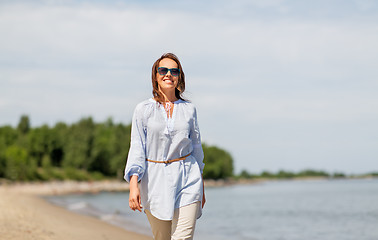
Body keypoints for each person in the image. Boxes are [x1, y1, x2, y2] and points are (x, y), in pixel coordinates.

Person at [124, 53, 206, 240]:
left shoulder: (189, 109)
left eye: (174, 71)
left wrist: (202, 186)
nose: (168, 74)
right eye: (163, 70)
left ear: (179, 77)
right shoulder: (143, 109)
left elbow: (197, 148)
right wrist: (133, 185)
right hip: (154, 180)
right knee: (162, 237)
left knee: (182, 238)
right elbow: (137, 147)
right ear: (156, 76)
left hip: (188, 178)